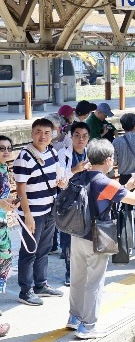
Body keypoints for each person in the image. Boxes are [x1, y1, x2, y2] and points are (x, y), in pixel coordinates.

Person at [66, 139, 135, 339]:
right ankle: (88, 326)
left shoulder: (80, 176)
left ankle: (74, 317)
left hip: (77, 234)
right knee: (94, 280)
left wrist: (126, 185)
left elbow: (108, 195)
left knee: (78, 277)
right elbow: (134, 199)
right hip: (97, 236)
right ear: (108, 159)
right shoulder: (105, 182)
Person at [14, 118, 68, 306]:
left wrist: (61, 183)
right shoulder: (24, 157)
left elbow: (55, 177)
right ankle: (25, 290)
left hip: (49, 208)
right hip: (33, 212)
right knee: (29, 251)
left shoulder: (52, 151)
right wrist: (27, 215)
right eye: (38, 132)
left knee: (44, 249)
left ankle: (40, 284)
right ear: (32, 133)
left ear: (52, 134)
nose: (42, 136)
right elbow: (20, 188)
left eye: (47, 133)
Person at [57, 122, 92, 286]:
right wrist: (75, 170)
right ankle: (70, 272)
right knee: (67, 238)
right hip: (68, 201)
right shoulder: (63, 154)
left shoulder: (91, 153)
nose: (80, 139)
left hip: (87, 200)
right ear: (71, 137)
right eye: (77, 135)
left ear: (88, 138)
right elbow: (60, 181)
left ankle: (84, 270)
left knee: (86, 236)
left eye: (84, 136)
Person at [0, 135, 17, 337]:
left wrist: (8, 202)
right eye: (1, 148)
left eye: (8, 148)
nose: (5, 151)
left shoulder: (4, 169)